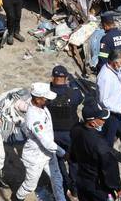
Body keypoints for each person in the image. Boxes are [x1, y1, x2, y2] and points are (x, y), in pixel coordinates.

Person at [15, 83, 66, 201]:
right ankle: (18, 197)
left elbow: (24, 105)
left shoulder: (37, 104)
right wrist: (63, 153)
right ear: (37, 100)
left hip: (48, 153)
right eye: (46, 98)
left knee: (57, 179)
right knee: (30, 185)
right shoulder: (34, 119)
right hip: (35, 158)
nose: (48, 100)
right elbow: (46, 142)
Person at [70, 102, 121, 201]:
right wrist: (118, 187)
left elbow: (73, 155)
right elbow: (110, 170)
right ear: (93, 123)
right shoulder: (101, 146)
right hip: (98, 187)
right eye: (102, 119)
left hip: (81, 180)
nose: (104, 121)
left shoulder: (75, 129)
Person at [48, 65, 83, 198]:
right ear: (66, 78)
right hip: (70, 133)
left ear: (53, 77)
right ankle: (74, 188)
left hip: (52, 133)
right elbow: (80, 100)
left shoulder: (47, 93)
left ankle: (63, 183)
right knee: (74, 161)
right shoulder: (74, 93)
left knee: (58, 161)